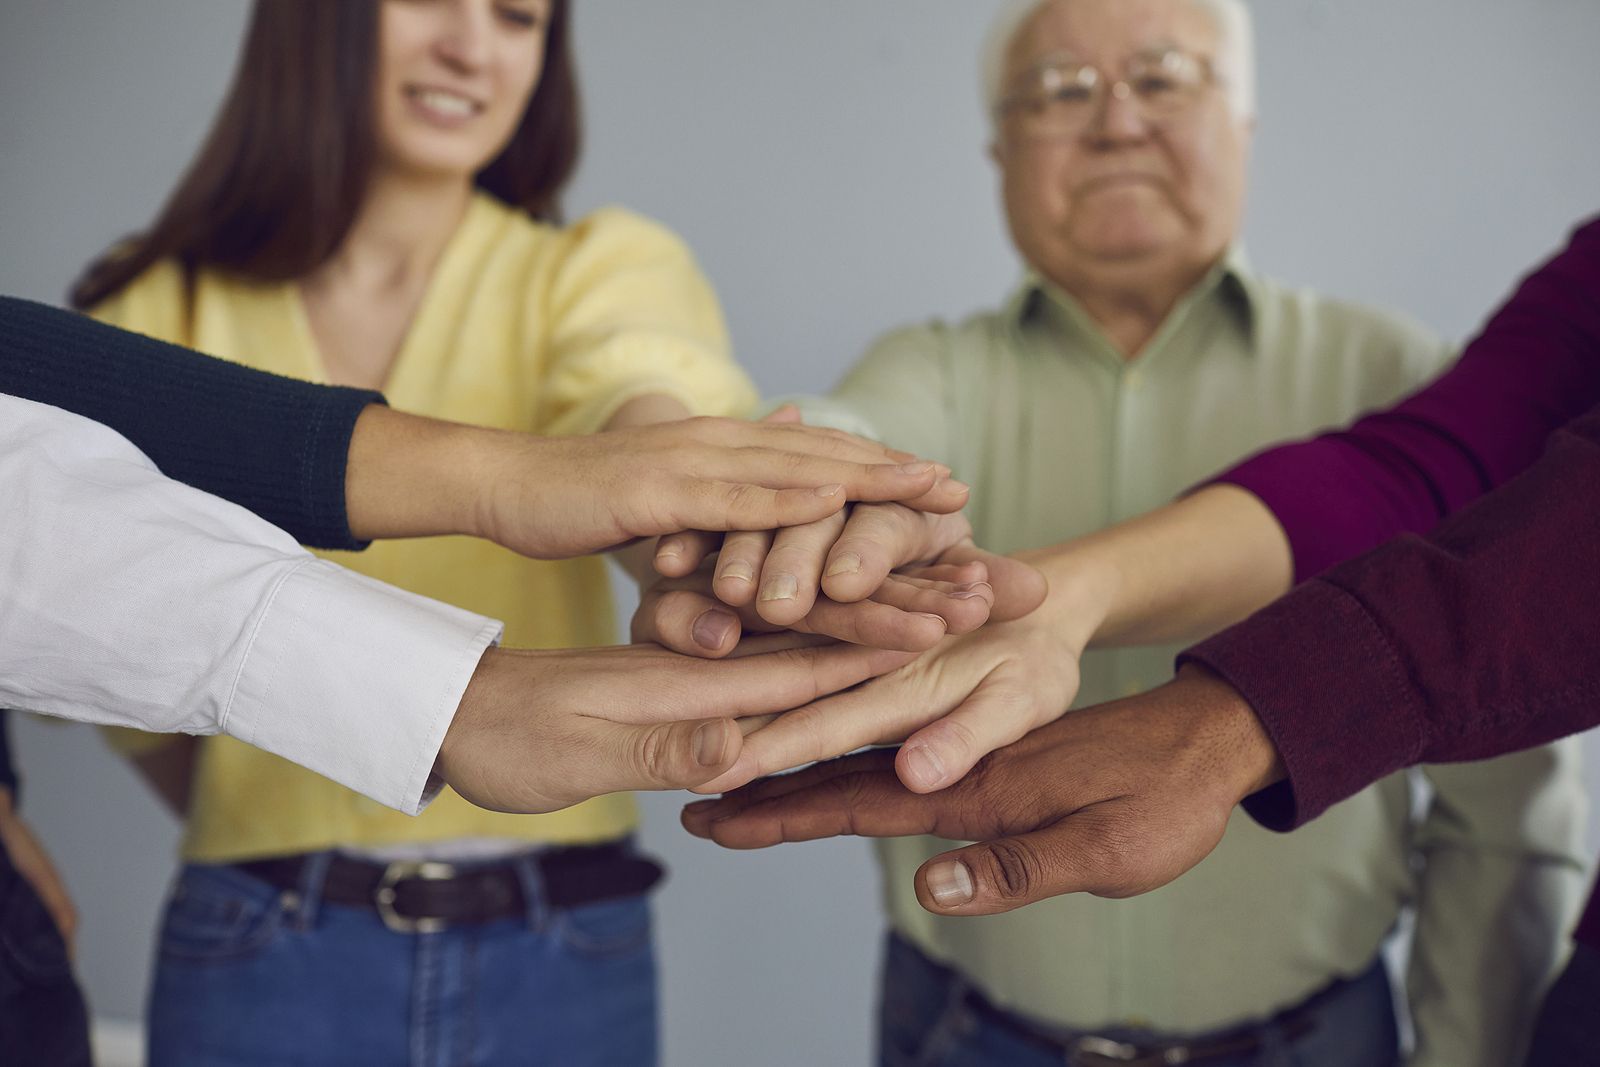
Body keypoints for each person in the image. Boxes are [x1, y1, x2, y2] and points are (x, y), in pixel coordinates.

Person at [644, 2, 1586, 1063]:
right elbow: (853, 435)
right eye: (1058, 89)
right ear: (998, 151)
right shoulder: (932, 369)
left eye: (1166, 76)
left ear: (1243, 123)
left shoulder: (1400, 383)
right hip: (966, 1029)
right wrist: (797, 500)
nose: (1115, 121)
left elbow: (1503, 802)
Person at [0, 294, 961, 1063]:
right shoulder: (165, 292)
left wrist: (719, 529)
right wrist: (458, 663)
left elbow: (643, 384)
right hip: (268, 927)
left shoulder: (586, 264)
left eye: (522, 32)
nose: (473, 49)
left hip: (560, 934)